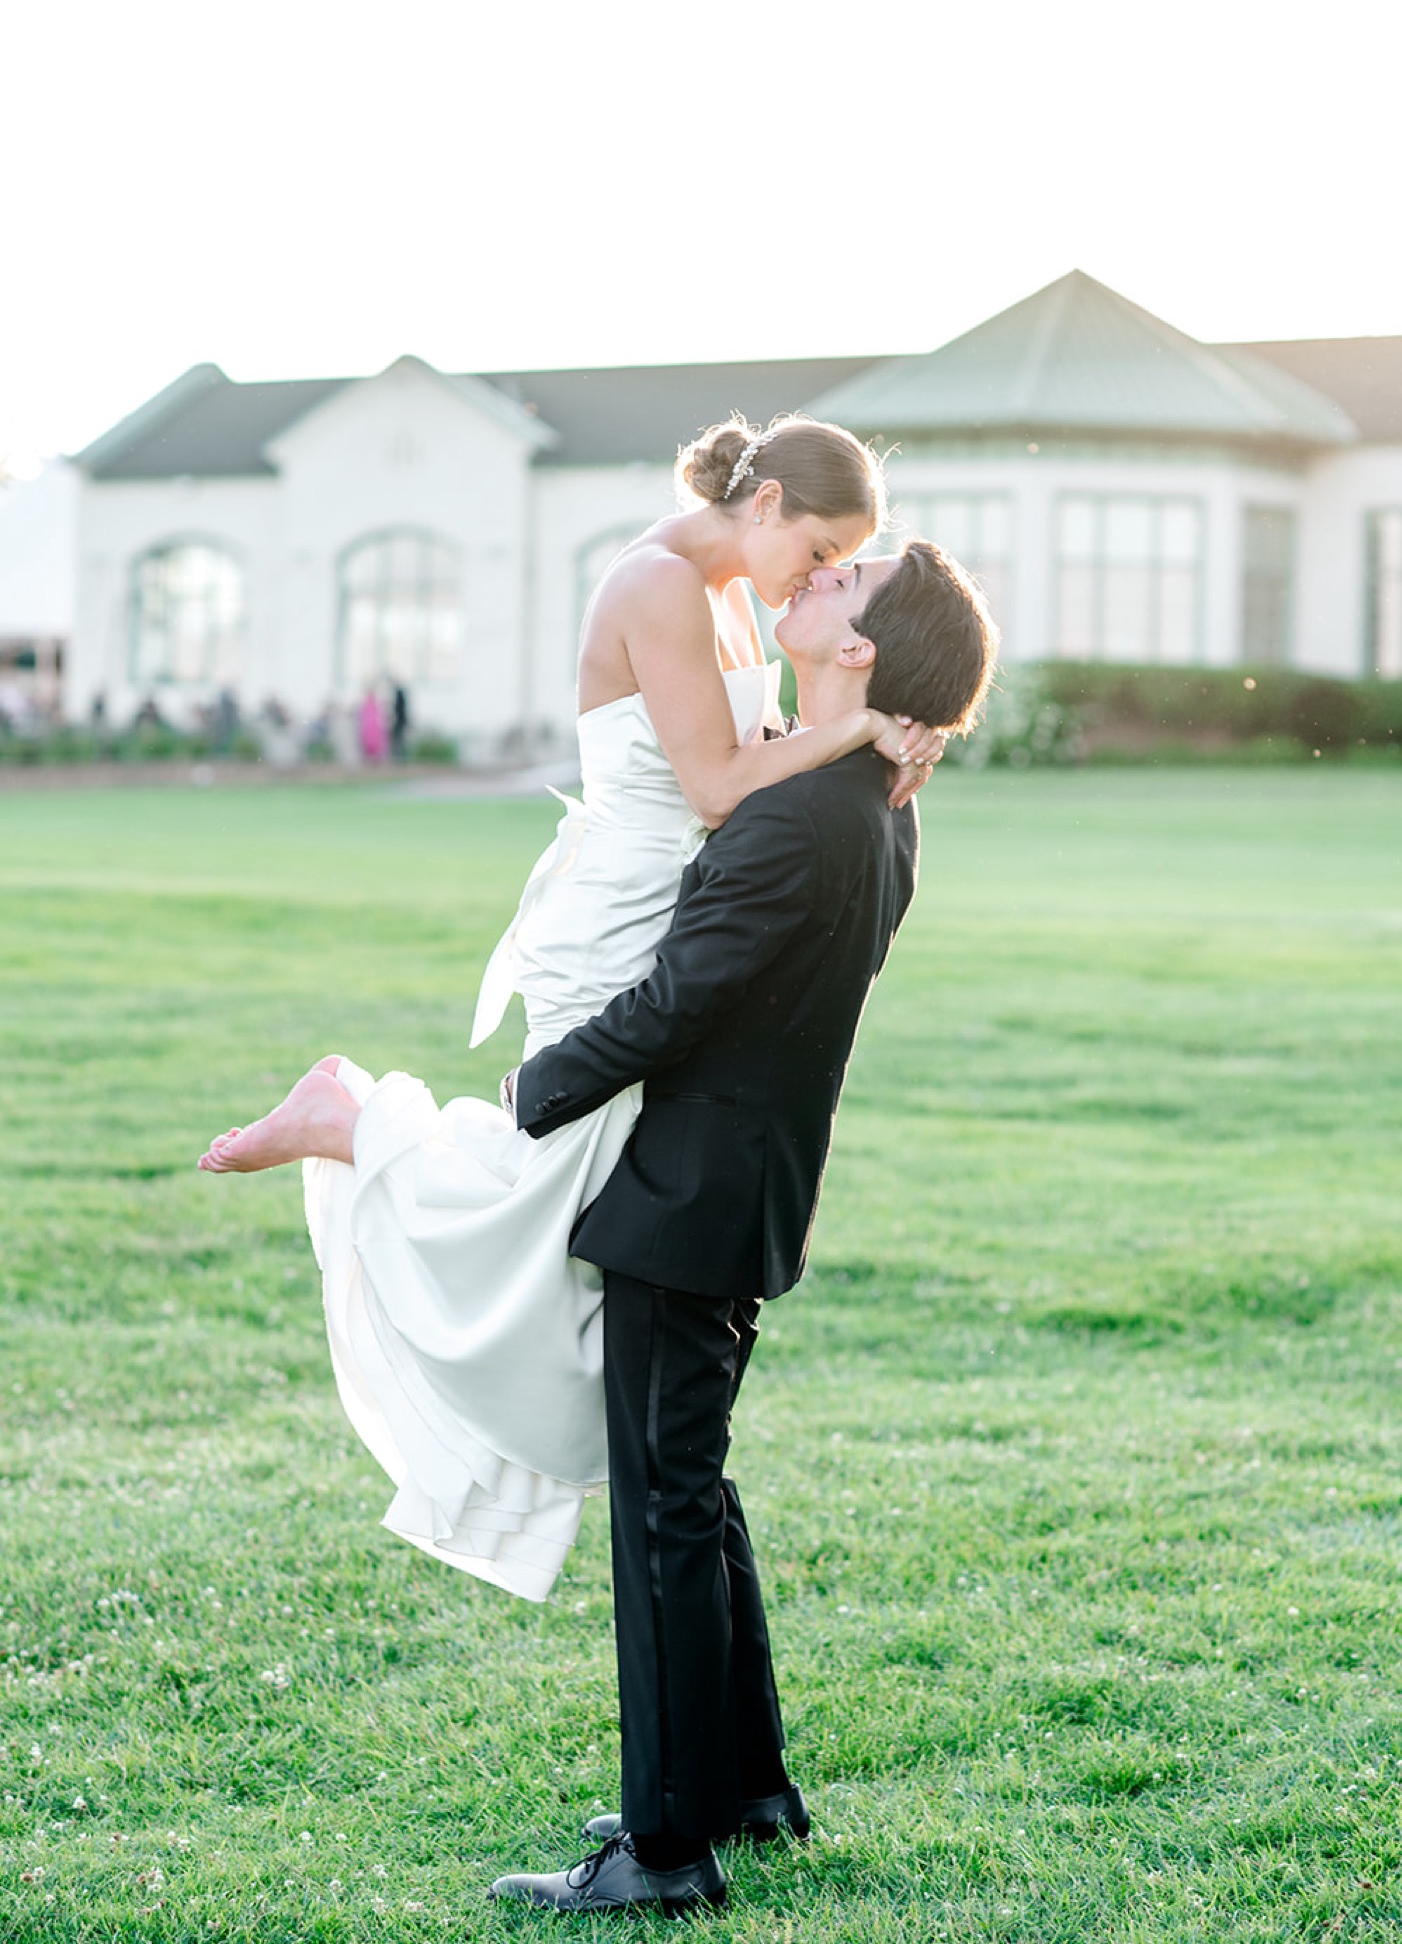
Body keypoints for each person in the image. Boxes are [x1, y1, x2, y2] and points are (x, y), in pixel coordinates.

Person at [198, 415, 943, 1601]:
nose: (815, 576)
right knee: (554, 1193)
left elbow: (763, 754)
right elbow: (713, 787)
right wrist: (856, 723)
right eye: (817, 547)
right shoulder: (657, 583)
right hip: (617, 918)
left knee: (574, 1214)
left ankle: (363, 1125)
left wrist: (874, 737)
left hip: (679, 907)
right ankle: (354, 1120)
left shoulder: (739, 594)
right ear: (765, 506)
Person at [487, 538, 997, 1916]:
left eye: (839, 587)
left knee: (663, 1511)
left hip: (688, 1197)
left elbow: (679, 999)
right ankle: (749, 1785)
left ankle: (662, 1847)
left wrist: (536, 1087)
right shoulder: (869, 799)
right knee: (691, 1489)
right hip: (737, 1185)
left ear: (861, 651)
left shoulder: (807, 812)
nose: (808, 583)